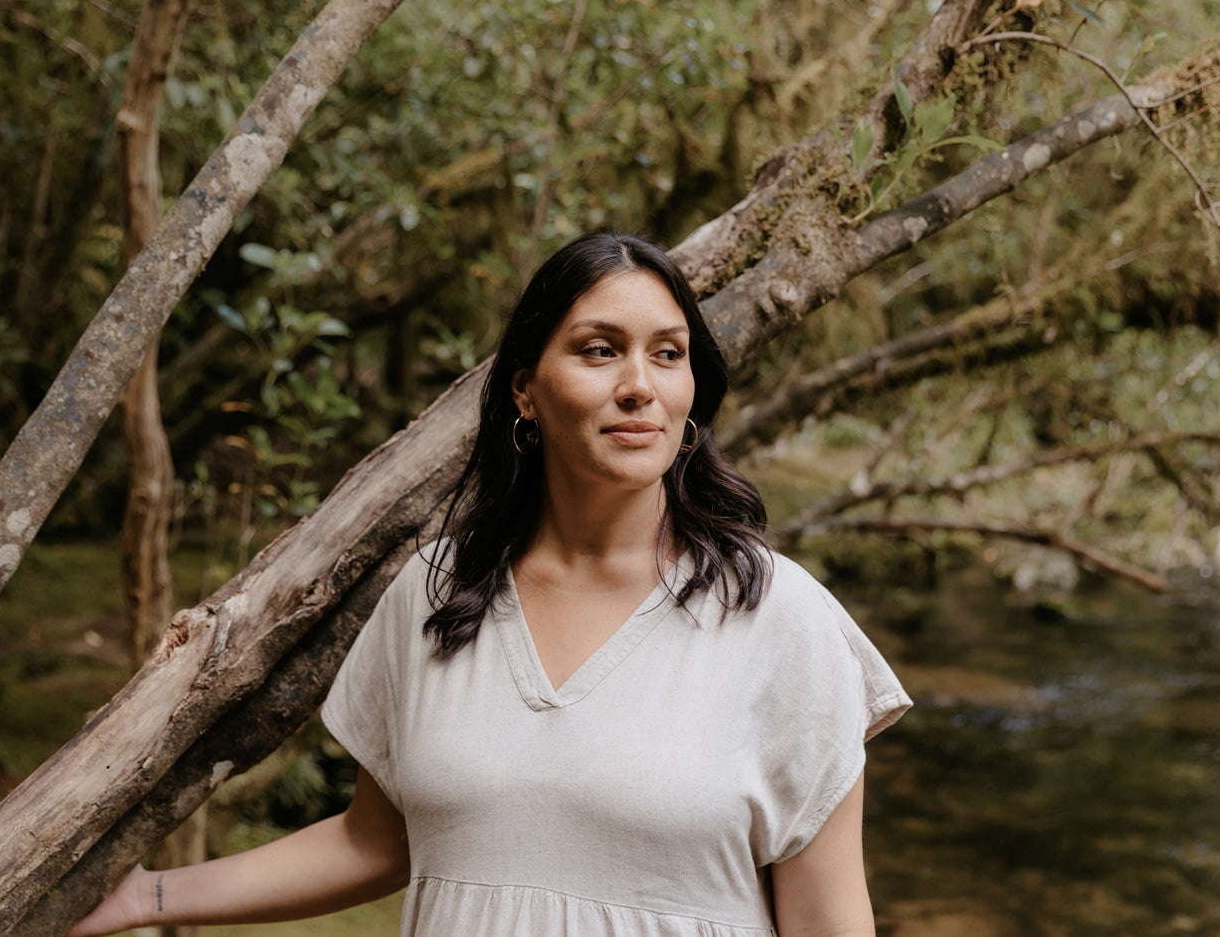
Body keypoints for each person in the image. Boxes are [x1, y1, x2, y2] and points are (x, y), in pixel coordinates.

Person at [70, 233, 911, 937]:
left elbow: (830, 919)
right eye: (598, 349)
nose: (638, 385)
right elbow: (378, 840)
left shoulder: (777, 614)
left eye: (667, 354)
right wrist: (147, 897)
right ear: (524, 389)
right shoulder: (435, 593)